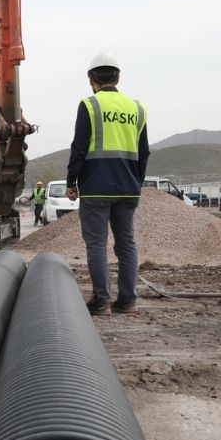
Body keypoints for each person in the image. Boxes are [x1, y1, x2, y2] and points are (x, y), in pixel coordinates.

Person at [65, 52, 150, 316]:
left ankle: (101, 300)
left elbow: (79, 148)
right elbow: (144, 151)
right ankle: (127, 300)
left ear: (92, 80)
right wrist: (137, 181)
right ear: (117, 78)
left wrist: (71, 182)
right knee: (126, 243)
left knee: (97, 244)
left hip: (96, 187)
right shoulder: (137, 107)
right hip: (128, 187)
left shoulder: (89, 105)